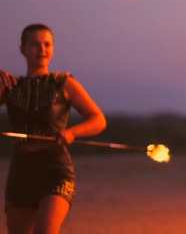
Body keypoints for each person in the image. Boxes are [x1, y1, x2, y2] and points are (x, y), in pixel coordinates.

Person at [0, 24, 107, 234]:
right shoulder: (11, 86)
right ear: (22, 49)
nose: (42, 50)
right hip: (22, 169)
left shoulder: (64, 83)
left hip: (55, 168)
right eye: (35, 45)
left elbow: (98, 119)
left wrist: (72, 132)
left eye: (47, 44)